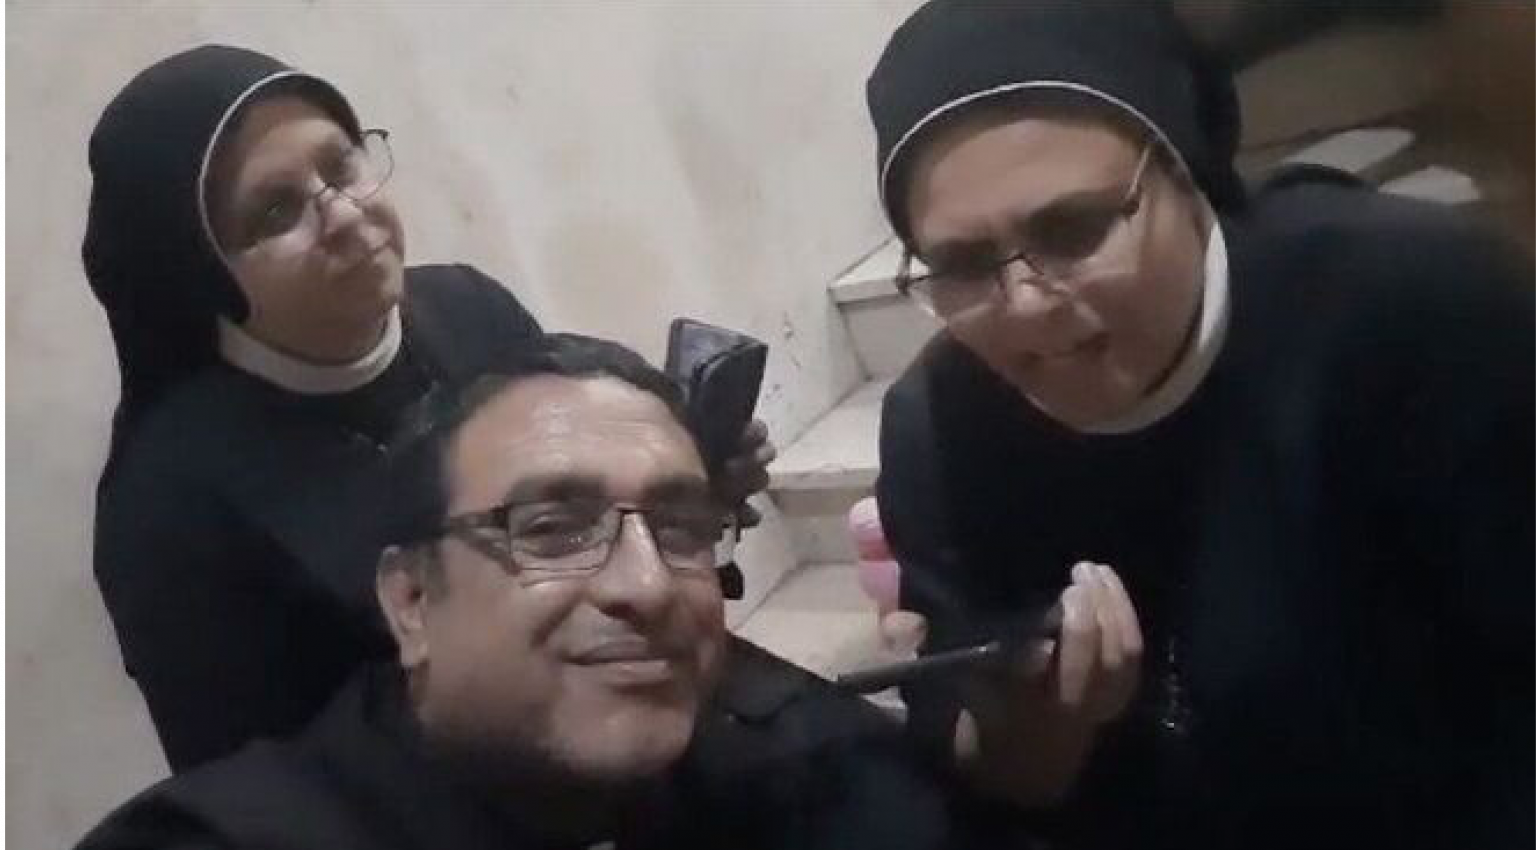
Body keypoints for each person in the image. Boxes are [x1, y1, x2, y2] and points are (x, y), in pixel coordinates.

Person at [863, 3, 1536, 848]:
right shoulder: (936, 431)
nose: (1026, 306)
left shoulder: (1409, 312)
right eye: (962, 264)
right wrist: (1038, 730)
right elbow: (994, 773)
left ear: (1184, 176)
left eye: (1072, 229)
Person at [84, 45, 773, 773]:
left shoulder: (470, 310)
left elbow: (573, 519)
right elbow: (254, 789)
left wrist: (686, 502)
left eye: (341, 165)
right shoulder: (169, 510)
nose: (345, 214)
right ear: (198, 273)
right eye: (278, 210)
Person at [75, 335, 960, 850]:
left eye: (683, 526)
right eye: (551, 530)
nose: (647, 584)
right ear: (411, 603)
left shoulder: (781, 749)